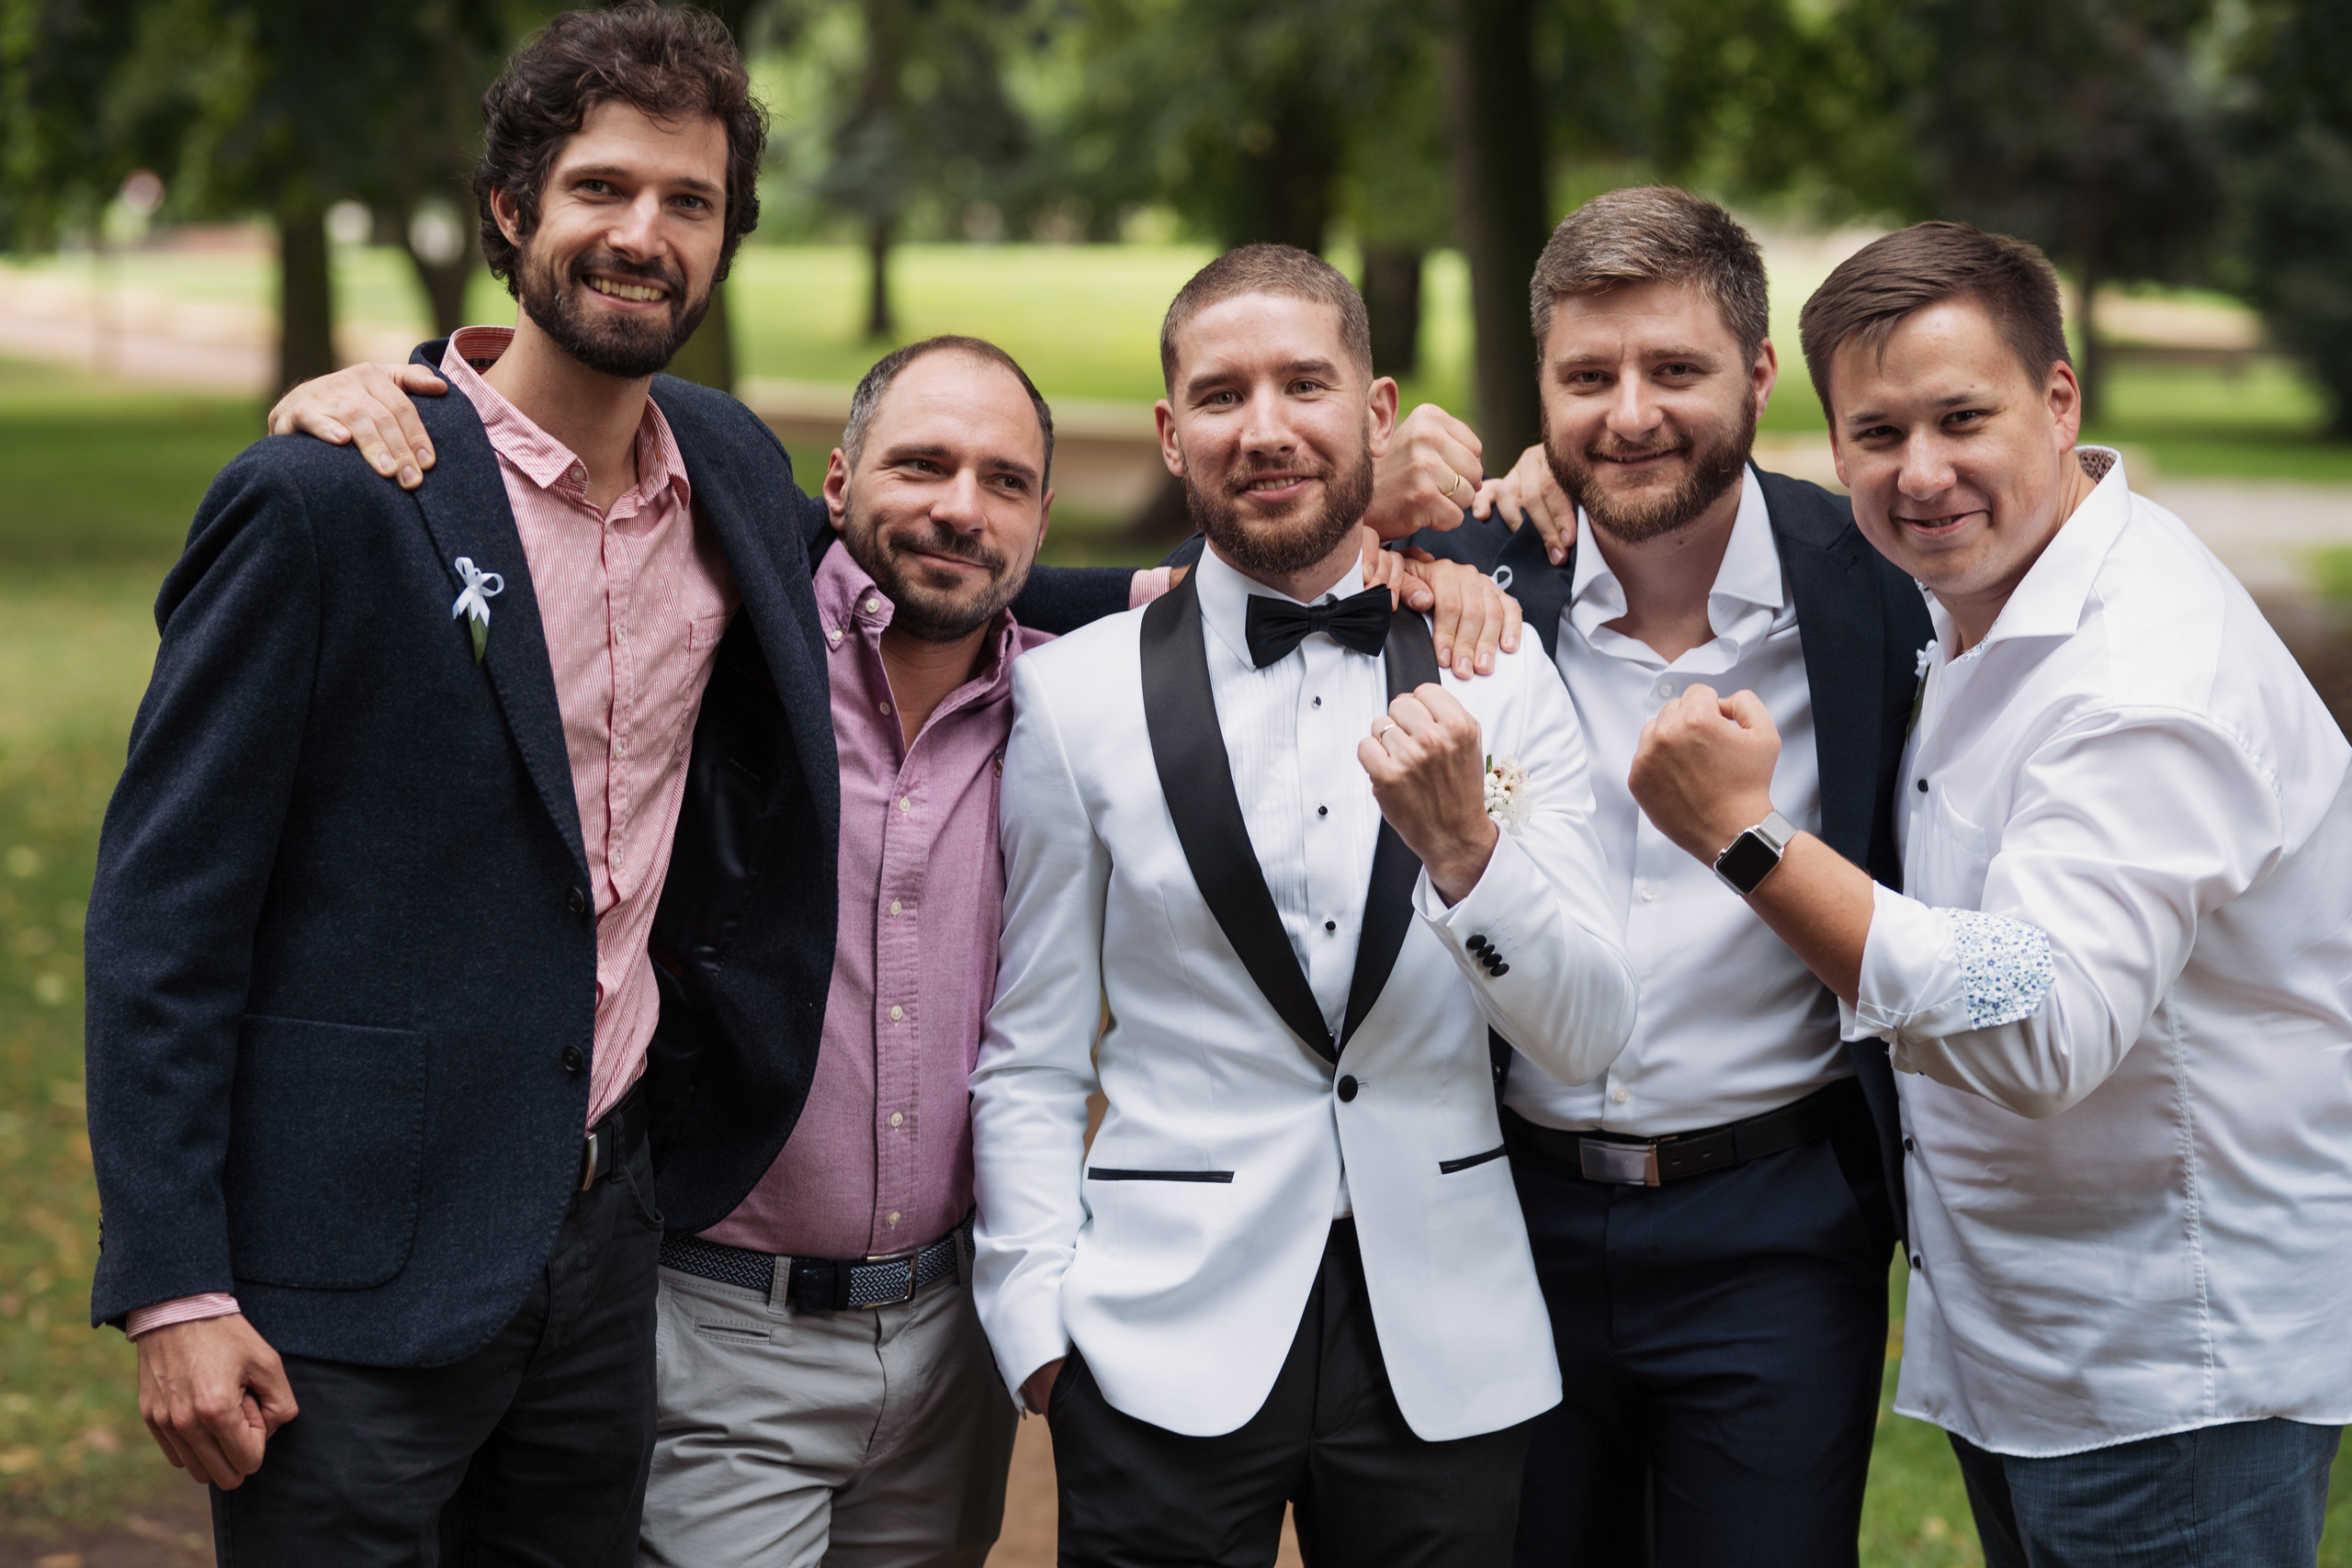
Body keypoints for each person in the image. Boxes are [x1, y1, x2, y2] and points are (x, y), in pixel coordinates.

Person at [267, 340, 1515, 1568]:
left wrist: (1463, 543)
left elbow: (1242, 592)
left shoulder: (1066, 697)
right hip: (721, 1328)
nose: (959, 510)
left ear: (1037, 523)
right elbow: (588, 488)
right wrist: (417, 378)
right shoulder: (726, 650)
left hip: (946, 1352)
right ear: (836, 481)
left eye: (1005, 481)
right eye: (919, 466)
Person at [84, 6, 829, 1560]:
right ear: (513, 211)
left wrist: (1302, 567)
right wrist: (176, 1287)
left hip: (604, 1244)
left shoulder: (736, 474)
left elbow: (942, 586)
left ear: (726, 240)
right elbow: (164, 916)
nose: (644, 235)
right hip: (338, 1273)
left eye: (688, 203)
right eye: (602, 189)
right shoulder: (332, 499)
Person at [1627, 220, 2352, 1565]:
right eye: (1876, 433)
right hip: (2039, 1345)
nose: (1922, 473)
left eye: (1963, 417)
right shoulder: (1998, 596)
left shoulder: (2140, 679)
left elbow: (2039, 1024)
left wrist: (1745, 841)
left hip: (2166, 1375)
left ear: (2060, 399)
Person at [970, 243, 1640, 1568]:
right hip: (1156, 1348)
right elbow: (1032, 1054)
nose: (1265, 429)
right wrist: (1039, 1335)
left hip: (1446, 1348)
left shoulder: (1502, 672)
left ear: (1377, 413)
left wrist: (1468, 859)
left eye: (1304, 386)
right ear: (1173, 434)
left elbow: (1592, 1034)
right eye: (1221, 396)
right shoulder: (1074, 697)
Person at [1382, 186, 1930, 1565]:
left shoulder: (1873, 585)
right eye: (1589, 377)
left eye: (1675, 370)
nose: (1630, 415)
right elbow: (1174, 609)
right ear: (1543, 389)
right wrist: (1361, 500)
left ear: (1755, 375)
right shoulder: (1464, 580)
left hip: (1781, 1226)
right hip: (1510, 1212)